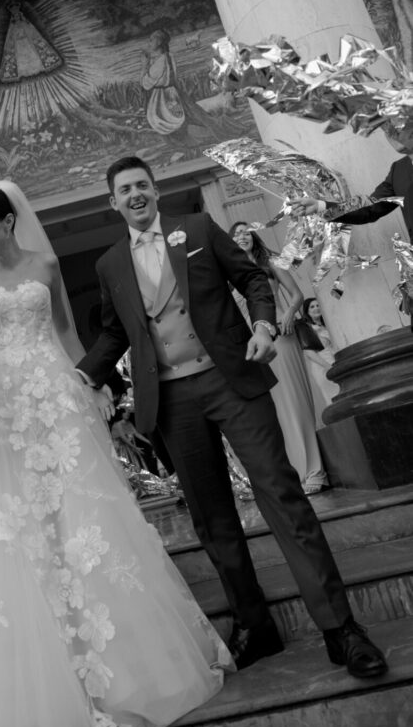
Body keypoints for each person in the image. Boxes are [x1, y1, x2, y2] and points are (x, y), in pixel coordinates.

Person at [0, 180, 232, 727]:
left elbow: (65, 333)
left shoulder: (46, 265)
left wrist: (91, 388)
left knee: (84, 511)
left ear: (8, 221)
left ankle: (124, 658)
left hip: (56, 394)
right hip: (5, 406)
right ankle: (55, 664)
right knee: (24, 521)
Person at [77, 155, 387, 681]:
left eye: (142, 185)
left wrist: (263, 326)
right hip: (171, 401)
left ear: (155, 190)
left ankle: (341, 629)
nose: (135, 194)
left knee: (281, 493)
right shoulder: (109, 265)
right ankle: (254, 625)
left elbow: (253, 279)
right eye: (124, 189)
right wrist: (83, 375)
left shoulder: (198, 228)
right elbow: (114, 331)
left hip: (231, 379)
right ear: (113, 202)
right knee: (212, 517)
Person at [229, 223, 327, 495]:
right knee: (277, 412)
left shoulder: (271, 262)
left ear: (253, 236)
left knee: (295, 403)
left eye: (245, 232)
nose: (242, 236)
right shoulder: (230, 273)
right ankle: (294, 473)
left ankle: (314, 471)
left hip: (281, 336)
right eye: (236, 235)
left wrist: (288, 314)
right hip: (254, 349)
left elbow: (296, 295)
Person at [301, 297, 339, 428]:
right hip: (322, 367)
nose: (316, 308)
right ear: (307, 312)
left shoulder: (325, 326)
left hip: (335, 363)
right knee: (332, 398)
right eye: (312, 307)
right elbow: (309, 353)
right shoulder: (308, 329)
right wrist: (327, 366)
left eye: (318, 305)